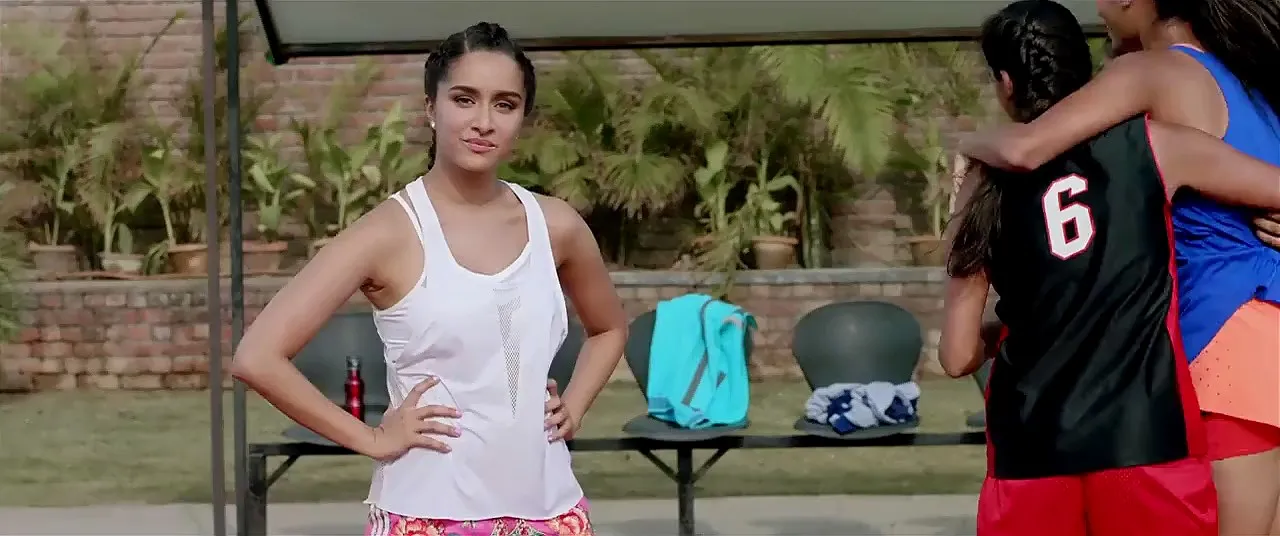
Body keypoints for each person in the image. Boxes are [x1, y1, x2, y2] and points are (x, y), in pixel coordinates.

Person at [230, 22, 627, 536]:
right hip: (427, 514)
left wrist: (573, 406)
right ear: (430, 108)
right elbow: (257, 357)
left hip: (551, 513)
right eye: (464, 99)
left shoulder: (557, 226)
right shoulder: (387, 233)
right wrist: (372, 439)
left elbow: (608, 328)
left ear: (522, 119)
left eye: (505, 105)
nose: (483, 121)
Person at [941, 1, 1280, 535]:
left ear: (1006, 83)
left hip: (1040, 437)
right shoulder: (1166, 138)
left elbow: (957, 354)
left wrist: (970, 146)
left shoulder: (986, 185)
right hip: (1157, 421)